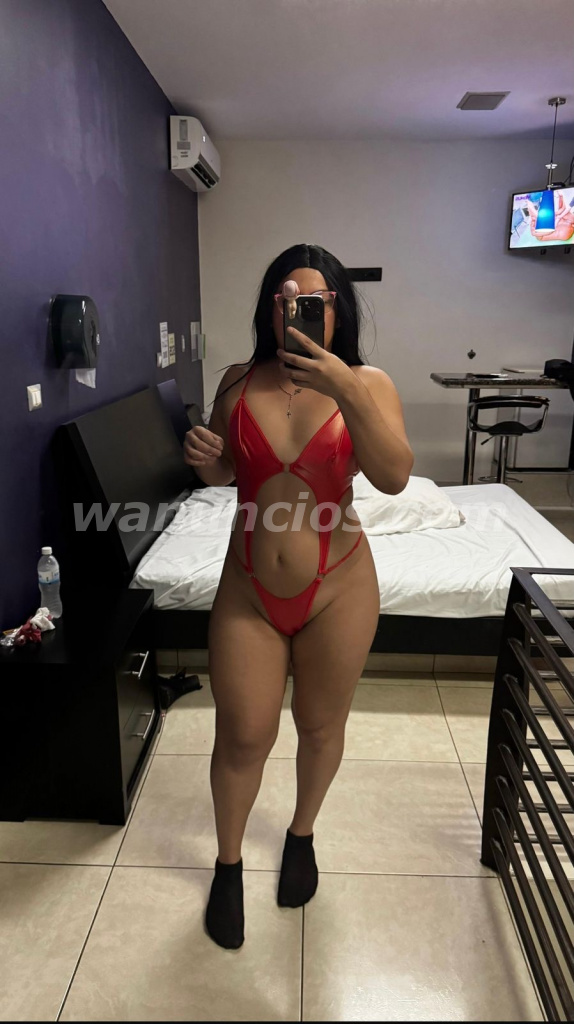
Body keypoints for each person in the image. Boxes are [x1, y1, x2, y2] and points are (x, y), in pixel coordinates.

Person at [183, 243, 414, 949]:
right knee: (243, 734)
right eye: (284, 298)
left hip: (338, 586)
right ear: (269, 308)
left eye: (313, 300)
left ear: (338, 310)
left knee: (318, 726)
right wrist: (207, 461)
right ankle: (227, 866)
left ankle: (302, 835)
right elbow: (227, 474)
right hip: (248, 589)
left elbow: (394, 476)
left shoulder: (368, 383)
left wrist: (345, 387)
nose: (296, 309)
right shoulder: (235, 381)